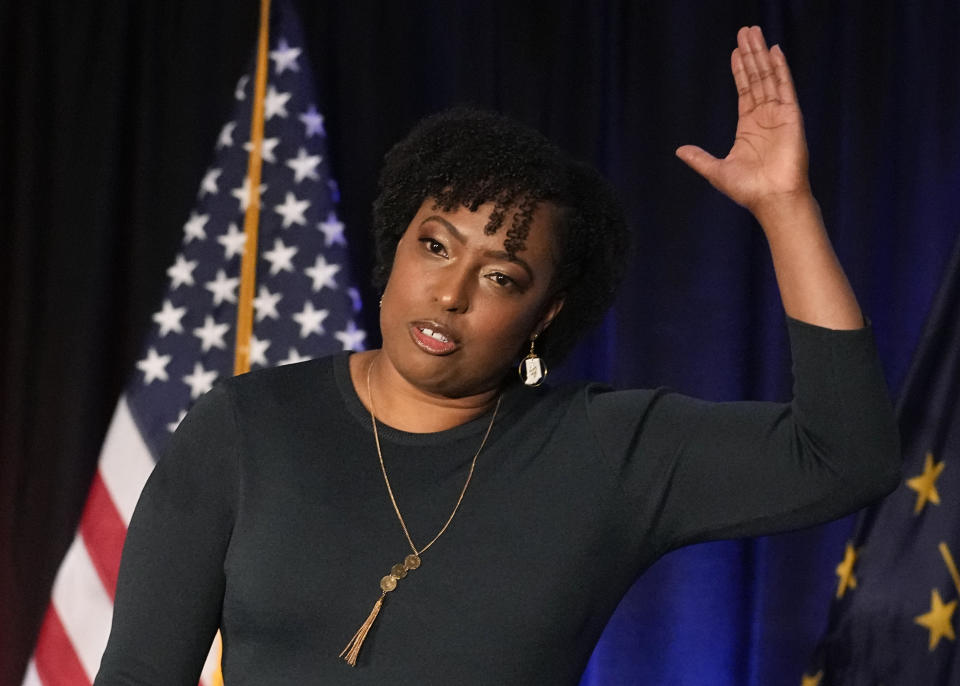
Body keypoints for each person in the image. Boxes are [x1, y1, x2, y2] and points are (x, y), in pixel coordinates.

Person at [95, 26, 900, 685]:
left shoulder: (607, 452)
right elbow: (138, 676)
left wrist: (785, 207)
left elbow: (847, 457)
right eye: (435, 246)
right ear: (395, 245)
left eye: (502, 276)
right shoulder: (243, 428)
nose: (451, 294)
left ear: (545, 312)